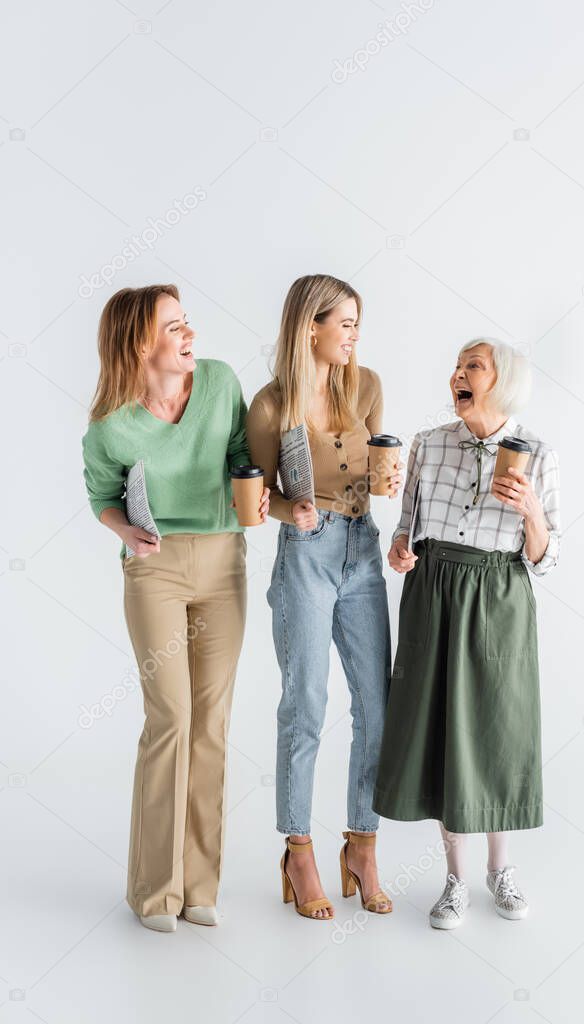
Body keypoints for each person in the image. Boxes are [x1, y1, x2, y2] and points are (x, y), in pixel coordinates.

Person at [82, 284, 269, 933]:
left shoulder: (217, 383)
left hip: (223, 561)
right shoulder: (109, 422)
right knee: (170, 717)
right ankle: (152, 890)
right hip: (153, 568)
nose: (190, 336)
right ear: (139, 342)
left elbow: (242, 456)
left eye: (187, 323)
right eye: (174, 328)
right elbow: (102, 495)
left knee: (210, 721)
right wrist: (124, 532)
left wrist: (257, 490)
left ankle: (198, 886)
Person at [372, 337, 560, 928]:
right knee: (440, 729)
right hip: (433, 593)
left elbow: (546, 558)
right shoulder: (427, 445)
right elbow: (406, 532)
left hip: (500, 594)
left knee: (497, 727)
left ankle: (499, 870)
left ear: (501, 382)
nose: (457, 374)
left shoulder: (539, 454)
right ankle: (454, 879)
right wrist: (401, 553)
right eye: (456, 366)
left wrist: (530, 510)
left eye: (471, 367)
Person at [247, 274, 401, 920]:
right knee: (305, 704)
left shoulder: (365, 387)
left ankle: (361, 846)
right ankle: (299, 849)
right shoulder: (268, 406)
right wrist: (291, 509)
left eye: (356, 324)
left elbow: (375, 466)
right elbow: (254, 500)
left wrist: (388, 480)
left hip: (362, 550)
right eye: (345, 323)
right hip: (305, 558)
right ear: (309, 325)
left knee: (377, 705)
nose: (354, 335)